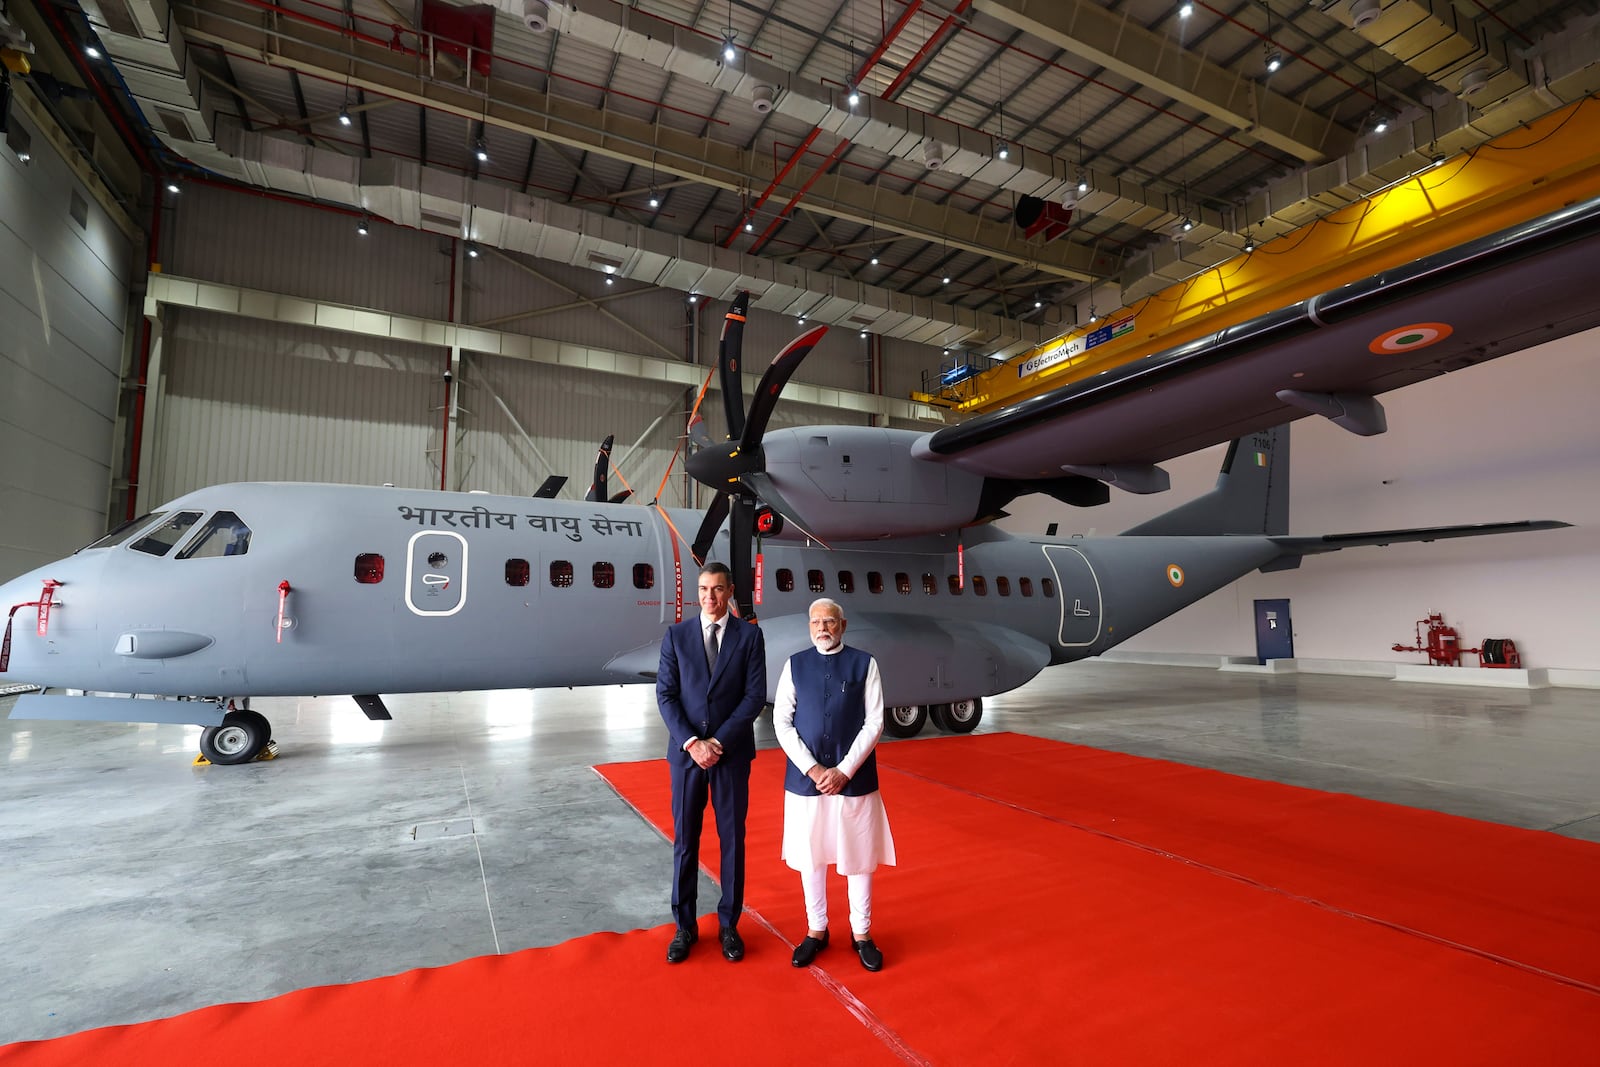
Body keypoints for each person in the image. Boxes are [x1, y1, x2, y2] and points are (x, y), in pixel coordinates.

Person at [773, 597, 896, 972]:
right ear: (809, 627)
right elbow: (782, 721)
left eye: (829, 621)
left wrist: (843, 770)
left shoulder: (865, 664)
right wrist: (813, 770)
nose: (822, 627)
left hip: (855, 779)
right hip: (804, 781)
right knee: (811, 858)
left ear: (843, 626)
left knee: (858, 859)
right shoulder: (794, 665)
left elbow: (874, 722)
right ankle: (816, 929)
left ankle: (862, 933)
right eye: (815, 622)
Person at [656, 562, 768, 964]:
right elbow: (666, 696)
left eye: (717, 590)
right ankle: (684, 926)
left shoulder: (750, 637)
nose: (709, 597)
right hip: (687, 757)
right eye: (703, 589)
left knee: (731, 841)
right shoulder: (677, 636)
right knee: (686, 841)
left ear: (730, 591)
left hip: (730, 754)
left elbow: (753, 698)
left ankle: (728, 925)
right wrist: (692, 742)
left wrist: (717, 742)